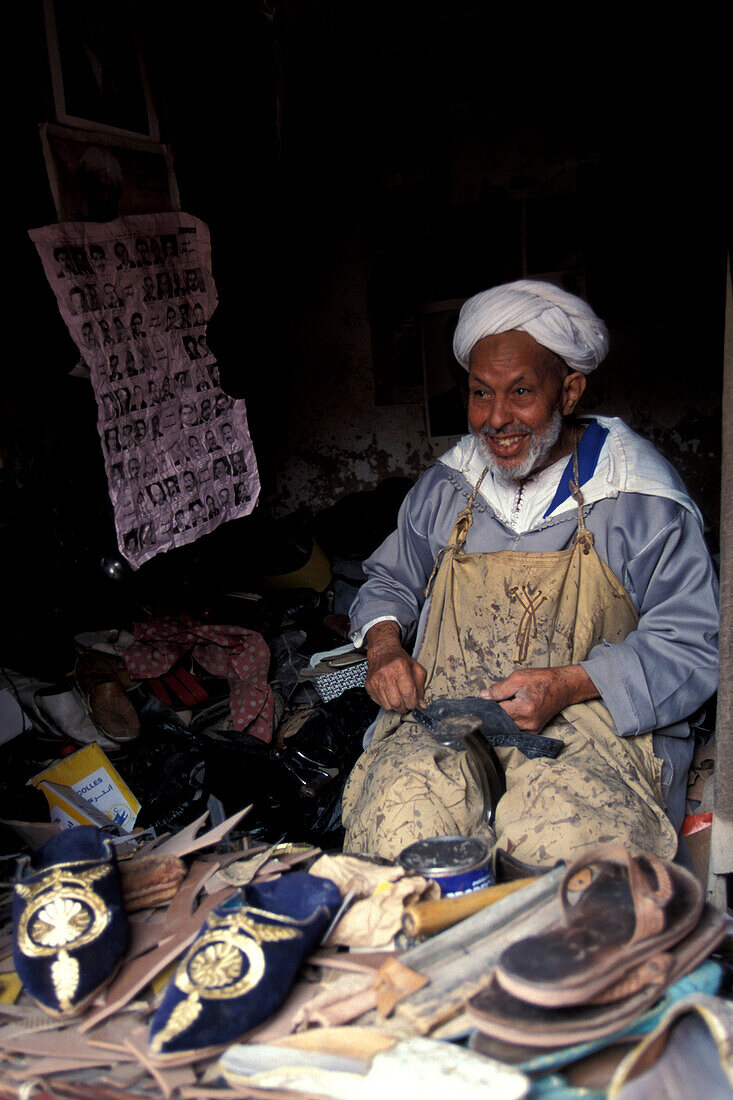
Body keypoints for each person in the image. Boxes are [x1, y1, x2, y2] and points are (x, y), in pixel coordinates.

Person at [342, 279, 719, 867]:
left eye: (521, 392)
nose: (496, 419)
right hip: (452, 721)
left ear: (568, 392)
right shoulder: (448, 486)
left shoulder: (639, 498)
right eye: (479, 394)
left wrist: (569, 683)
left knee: (561, 845)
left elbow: (695, 647)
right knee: (400, 822)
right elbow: (389, 581)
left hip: (593, 735)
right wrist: (385, 647)